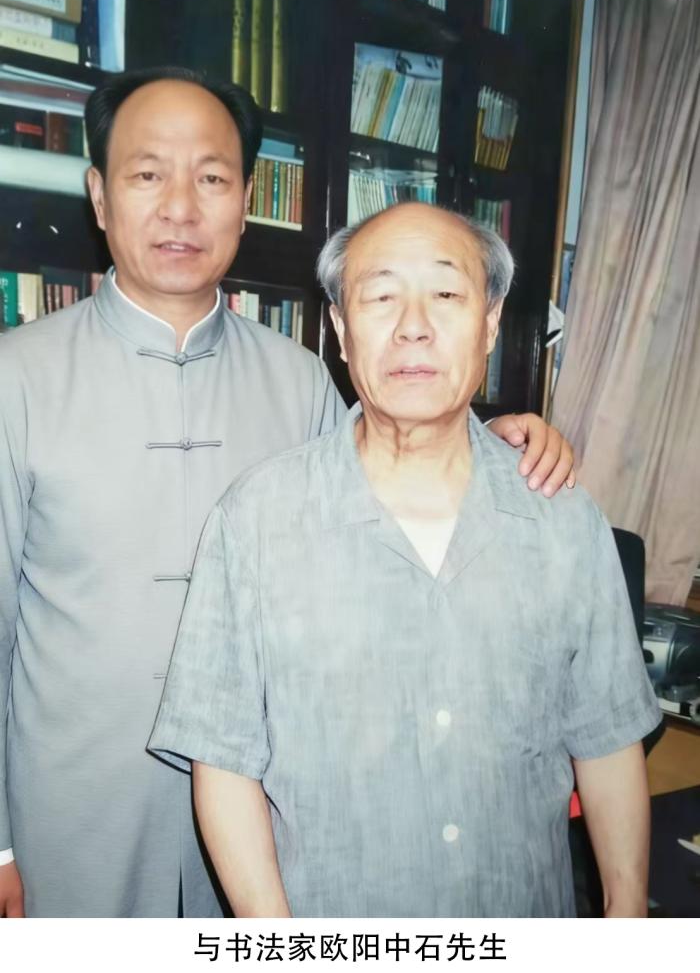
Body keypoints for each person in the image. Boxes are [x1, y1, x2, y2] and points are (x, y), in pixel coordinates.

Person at [0, 67, 574, 919]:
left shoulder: (301, 379)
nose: (181, 207)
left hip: (269, 808)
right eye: (148, 174)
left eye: (212, 178)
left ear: (246, 200)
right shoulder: (15, 378)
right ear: (99, 195)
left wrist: (496, 441)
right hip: (74, 814)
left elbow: (391, 497)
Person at [150, 203, 661, 918]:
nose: (414, 326)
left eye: (446, 293)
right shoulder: (256, 520)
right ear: (341, 330)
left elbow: (607, 739)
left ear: (490, 323)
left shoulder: (564, 519)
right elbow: (223, 762)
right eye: (382, 296)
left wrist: (627, 915)